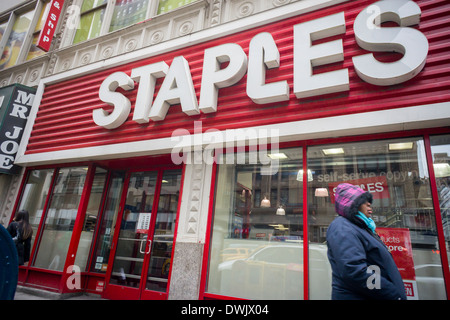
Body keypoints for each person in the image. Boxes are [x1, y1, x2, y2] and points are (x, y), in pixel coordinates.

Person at [326, 183, 406, 300]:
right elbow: (354, 271)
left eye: (369, 201)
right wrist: (391, 292)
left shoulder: (360, 227)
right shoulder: (343, 227)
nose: (369, 204)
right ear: (351, 205)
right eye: (362, 201)